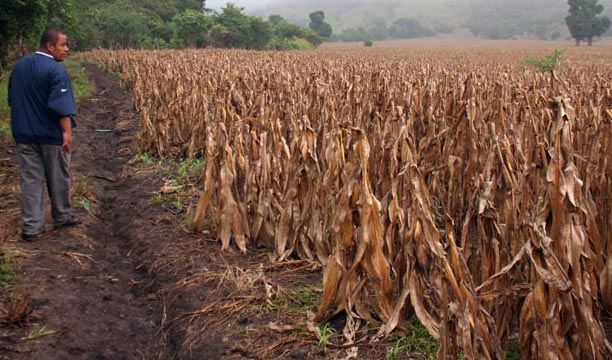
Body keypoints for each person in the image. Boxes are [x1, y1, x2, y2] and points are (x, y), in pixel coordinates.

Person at [8, 28, 80, 241]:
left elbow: (12, 100)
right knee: (58, 176)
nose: (66, 49)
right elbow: (60, 105)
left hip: (24, 134)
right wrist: (66, 132)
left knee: (31, 180)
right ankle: (62, 216)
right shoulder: (55, 70)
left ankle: (31, 228)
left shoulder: (19, 67)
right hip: (50, 135)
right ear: (50, 46)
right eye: (63, 45)